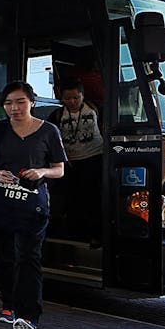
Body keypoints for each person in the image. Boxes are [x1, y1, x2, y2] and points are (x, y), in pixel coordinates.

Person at [0, 82, 66, 329]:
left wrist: (41, 172)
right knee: (3, 257)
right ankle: (8, 305)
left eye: (20, 102)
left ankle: (29, 317)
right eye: (8, 103)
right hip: (0, 202)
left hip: (32, 206)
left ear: (32, 102)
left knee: (29, 258)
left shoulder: (49, 131)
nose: (14, 108)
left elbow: (59, 169)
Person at [49, 76, 104, 243]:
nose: (72, 101)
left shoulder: (95, 109)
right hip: (70, 162)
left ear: (82, 95)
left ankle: (95, 234)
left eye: (76, 97)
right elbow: (51, 140)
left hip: (94, 158)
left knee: (93, 198)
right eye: (67, 98)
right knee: (72, 199)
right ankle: (75, 234)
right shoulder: (57, 114)